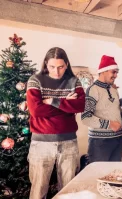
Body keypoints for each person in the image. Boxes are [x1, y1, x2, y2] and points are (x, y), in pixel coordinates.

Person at [26, 47, 85, 199]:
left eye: (61, 67)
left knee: (68, 190)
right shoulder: (35, 80)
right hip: (41, 144)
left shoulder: (74, 81)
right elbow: (36, 111)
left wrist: (53, 101)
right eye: (52, 67)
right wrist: (66, 105)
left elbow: (81, 106)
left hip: (69, 143)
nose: (57, 71)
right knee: (38, 191)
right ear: (46, 63)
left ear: (66, 64)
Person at [81, 55, 122, 163]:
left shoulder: (114, 90)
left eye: (117, 72)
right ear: (103, 71)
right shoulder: (93, 90)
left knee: (115, 176)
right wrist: (109, 124)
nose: (116, 75)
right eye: (113, 72)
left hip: (118, 140)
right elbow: (86, 117)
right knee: (97, 176)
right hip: (99, 142)